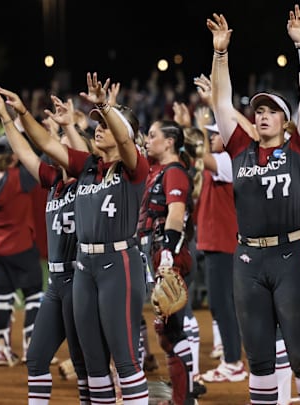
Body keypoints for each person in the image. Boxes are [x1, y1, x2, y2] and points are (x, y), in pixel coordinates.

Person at [0, 72, 150, 404]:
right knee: (93, 365)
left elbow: (124, 142)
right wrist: (20, 113)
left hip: (118, 264)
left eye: (106, 124)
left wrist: (106, 107)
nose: (99, 128)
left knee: (123, 359)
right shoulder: (88, 167)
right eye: (98, 123)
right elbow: (46, 145)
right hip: (84, 268)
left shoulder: (134, 167)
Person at [207, 5, 300, 404]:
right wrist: (220, 53)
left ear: (286, 120)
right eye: (258, 110)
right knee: (258, 359)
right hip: (248, 260)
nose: (262, 116)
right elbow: (221, 102)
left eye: (271, 111)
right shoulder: (240, 149)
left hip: (293, 255)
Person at [0, 86, 91, 403]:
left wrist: (68, 128)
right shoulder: (52, 181)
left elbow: (81, 155)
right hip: (55, 284)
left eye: (60, 147)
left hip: (79, 281)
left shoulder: (88, 181)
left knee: (85, 365)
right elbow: (28, 153)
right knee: (36, 358)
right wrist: (7, 119)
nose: (53, 150)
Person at [137, 116, 203, 405]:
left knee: (172, 331)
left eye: (153, 135)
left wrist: (166, 255)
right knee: (166, 333)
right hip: (159, 256)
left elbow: (176, 214)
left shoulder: (174, 171)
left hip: (171, 257)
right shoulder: (155, 168)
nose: (147, 140)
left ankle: (185, 397)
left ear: (170, 142)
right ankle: (183, 393)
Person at [0, 128, 43, 367]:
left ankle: (2, 351)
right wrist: (20, 131)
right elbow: (37, 158)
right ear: (13, 157)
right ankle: (30, 349)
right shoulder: (20, 179)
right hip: (21, 247)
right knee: (34, 295)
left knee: (3, 298)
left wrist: (3, 135)